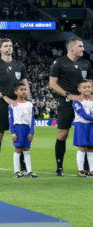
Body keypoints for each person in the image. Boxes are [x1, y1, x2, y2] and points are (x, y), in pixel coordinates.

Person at [0, 38, 31, 177]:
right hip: (2, 103)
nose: (9, 48)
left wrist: (28, 100)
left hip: (19, 105)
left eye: (10, 45)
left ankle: (23, 167)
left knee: (22, 135)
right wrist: (4, 97)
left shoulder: (19, 65)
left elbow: (25, 83)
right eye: (5, 46)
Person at [49, 37, 91, 176]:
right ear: (71, 48)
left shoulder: (86, 63)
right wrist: (69, 95)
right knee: (63, 134)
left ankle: (87, 168)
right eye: (80, 46)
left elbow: (90, 81)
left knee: (87, 135)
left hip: (85, 103)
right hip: (67, 103)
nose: (83, 49)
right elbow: (53, 84)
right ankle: (59, 166)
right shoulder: (59, 63)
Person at [8, 83, 37, 178]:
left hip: (27, 128)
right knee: (17, 149)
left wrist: (31, 131)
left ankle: (29, 171)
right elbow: (10, 119)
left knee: (26, 149)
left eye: (25, 89)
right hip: (18, 128)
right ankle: (16, 171)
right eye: (21, 89)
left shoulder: (29, 104)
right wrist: (13, 133)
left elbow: (32, 119)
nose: (24, 91)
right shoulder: (12, 104)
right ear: (15, 92)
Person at [72, 79, 93, 177]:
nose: (87, 89)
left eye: (89, 87)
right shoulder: (76, 101)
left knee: (90, 148)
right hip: (81, 125)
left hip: (91, 125)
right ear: (79, 89)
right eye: (84, 87)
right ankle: (80, 170)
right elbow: (83, 115)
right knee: (81, 147)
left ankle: (92, 170)